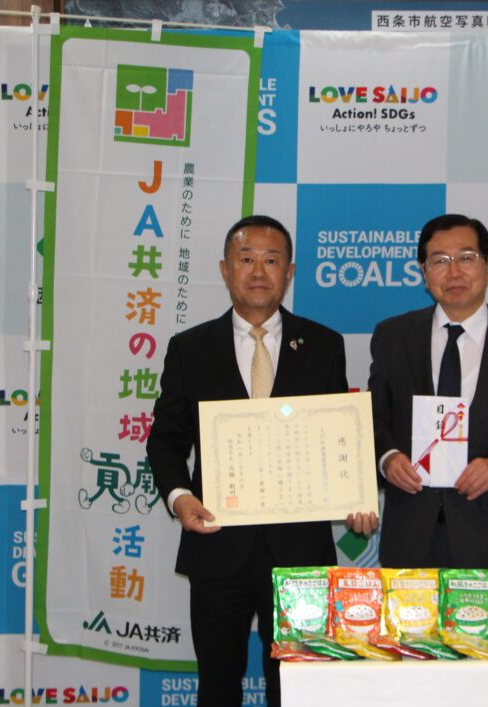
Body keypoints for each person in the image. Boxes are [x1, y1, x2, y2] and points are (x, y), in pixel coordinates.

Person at [148, 215, 346, 707]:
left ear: (289, 272)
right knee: (217, 685)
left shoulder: (324, 345)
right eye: (247, 259)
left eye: (272, 260)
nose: (259, 271)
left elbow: (337, 437)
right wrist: (180, 498)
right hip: (217, 544)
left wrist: (355, 493)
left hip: (300, 548)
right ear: (225, 269)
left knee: (298, 688)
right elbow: (166, 441)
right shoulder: (190, 349)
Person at [350, 213, 488, 660]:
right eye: (439, 260)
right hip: (411, 534)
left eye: (466, 257)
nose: (454, 272)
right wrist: (387, 458)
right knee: (411, 671)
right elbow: (373, 418)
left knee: (484, 672)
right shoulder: (393, 336)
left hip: (487, 537)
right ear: (423, 272)